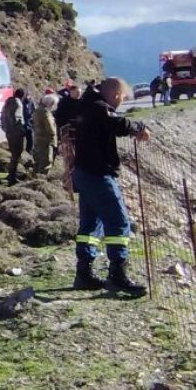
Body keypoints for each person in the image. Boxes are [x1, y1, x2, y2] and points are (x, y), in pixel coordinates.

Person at [71, 77, 151, 294]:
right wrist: (139, 128)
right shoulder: (100, 108)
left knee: (90, 224)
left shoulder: (87, 105)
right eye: (122, 98)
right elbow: (118, 124)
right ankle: (118, 274)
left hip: (84, 172)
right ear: (116, 95)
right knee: (118, 221)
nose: (121, 103)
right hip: (97, 173)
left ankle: (84, 273)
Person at [0, 88, 26, 185]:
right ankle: (12, 176)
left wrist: (5, 128)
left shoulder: (7, 103)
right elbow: (17, 119)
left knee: (13, 154)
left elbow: (3, 117)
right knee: (16, 154)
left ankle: (11, 175)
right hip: (15, 133)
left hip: (8, 131)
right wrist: (21, 130)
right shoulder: (18, 104)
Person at [32, 93, 57, 174]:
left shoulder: (37, 110)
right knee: (46, 162)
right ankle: (41, 180)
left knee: (37, 161)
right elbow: (50, 129)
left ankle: (33, 180)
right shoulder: (46, 113)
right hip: (46, 141)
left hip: (37, 139)